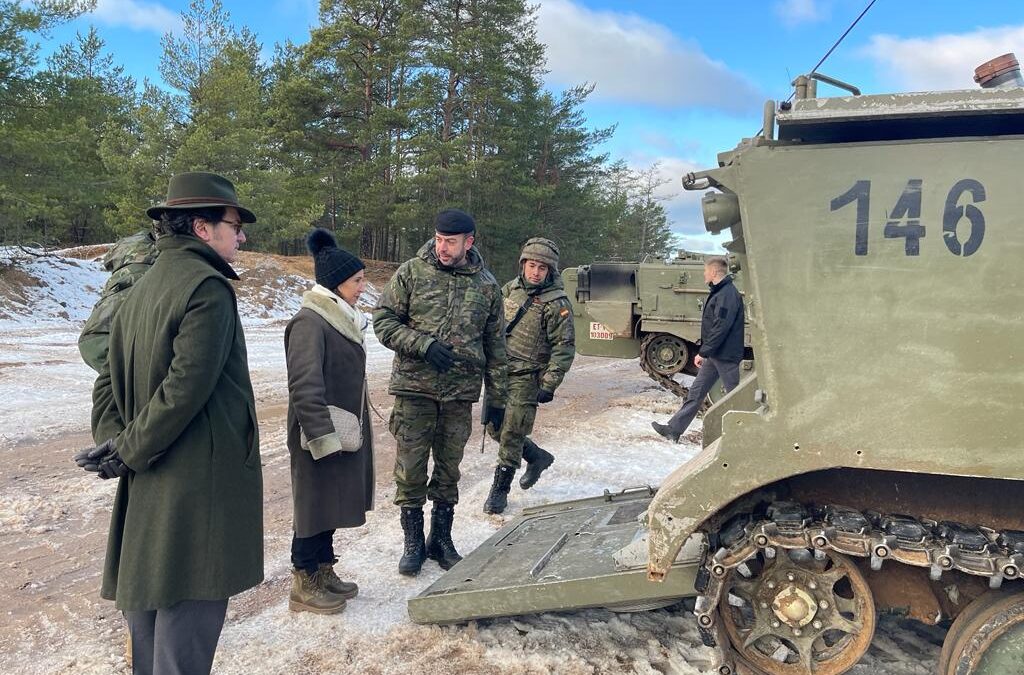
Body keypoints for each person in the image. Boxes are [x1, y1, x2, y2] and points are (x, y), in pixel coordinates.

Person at [74, 172, 263, 675]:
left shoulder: (139, 288)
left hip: (149, 481)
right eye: (233, 224)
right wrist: (127, 448)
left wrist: (115, 443)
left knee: (149, 622)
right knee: (185, 629)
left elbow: (106, 383)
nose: (240, 235)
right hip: (195, 488)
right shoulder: (207, 288)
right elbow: (185, 389)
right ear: (202, 228)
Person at [373, 208, 508, 576]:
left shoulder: (486, 286)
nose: (442, 247)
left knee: (449, 471)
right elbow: (382, 322)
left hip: (459, 395)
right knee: (411, 470)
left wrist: (497, 399)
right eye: (438, 239)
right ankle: (413, 543)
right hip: (414, 390)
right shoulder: (411, 273)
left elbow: (496, 347)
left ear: (469, 242)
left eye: (450, 241)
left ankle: (441, 539)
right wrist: (421, 344)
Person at [284, 228, 374, 614]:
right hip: (316, 432)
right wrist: (322, 437)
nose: (362, 287)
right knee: (313, 507)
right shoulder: (310, 323)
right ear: (337, 284)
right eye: (357, 280)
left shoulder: (339, 319)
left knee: (331, 504)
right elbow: (304, 386)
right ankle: (303, 583)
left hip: (342, 430)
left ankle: (324, 569)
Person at [483, 237, 575, 514]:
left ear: (550, 271)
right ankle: (537, 457)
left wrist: (549, 383)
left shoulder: (556, 303)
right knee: (495, 428)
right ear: (523, 265)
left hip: (528, 377)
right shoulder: (509, 290)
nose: (536, 272)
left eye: (542, 268)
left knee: (512, 433)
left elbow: (564, 347)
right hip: (500, 374)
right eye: (532, 265)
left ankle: (499, 492)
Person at [652, 256, 745, 443]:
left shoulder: (727, 294)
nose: (703, 274)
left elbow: (721, 326)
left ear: (713, 272)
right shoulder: (721, 292)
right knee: (696, 392)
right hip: (717, 353)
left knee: (736, 397)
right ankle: (674, 429)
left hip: (725, 355)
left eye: (705, 271)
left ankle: (745, 435)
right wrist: (707, 351)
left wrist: (704, 351)